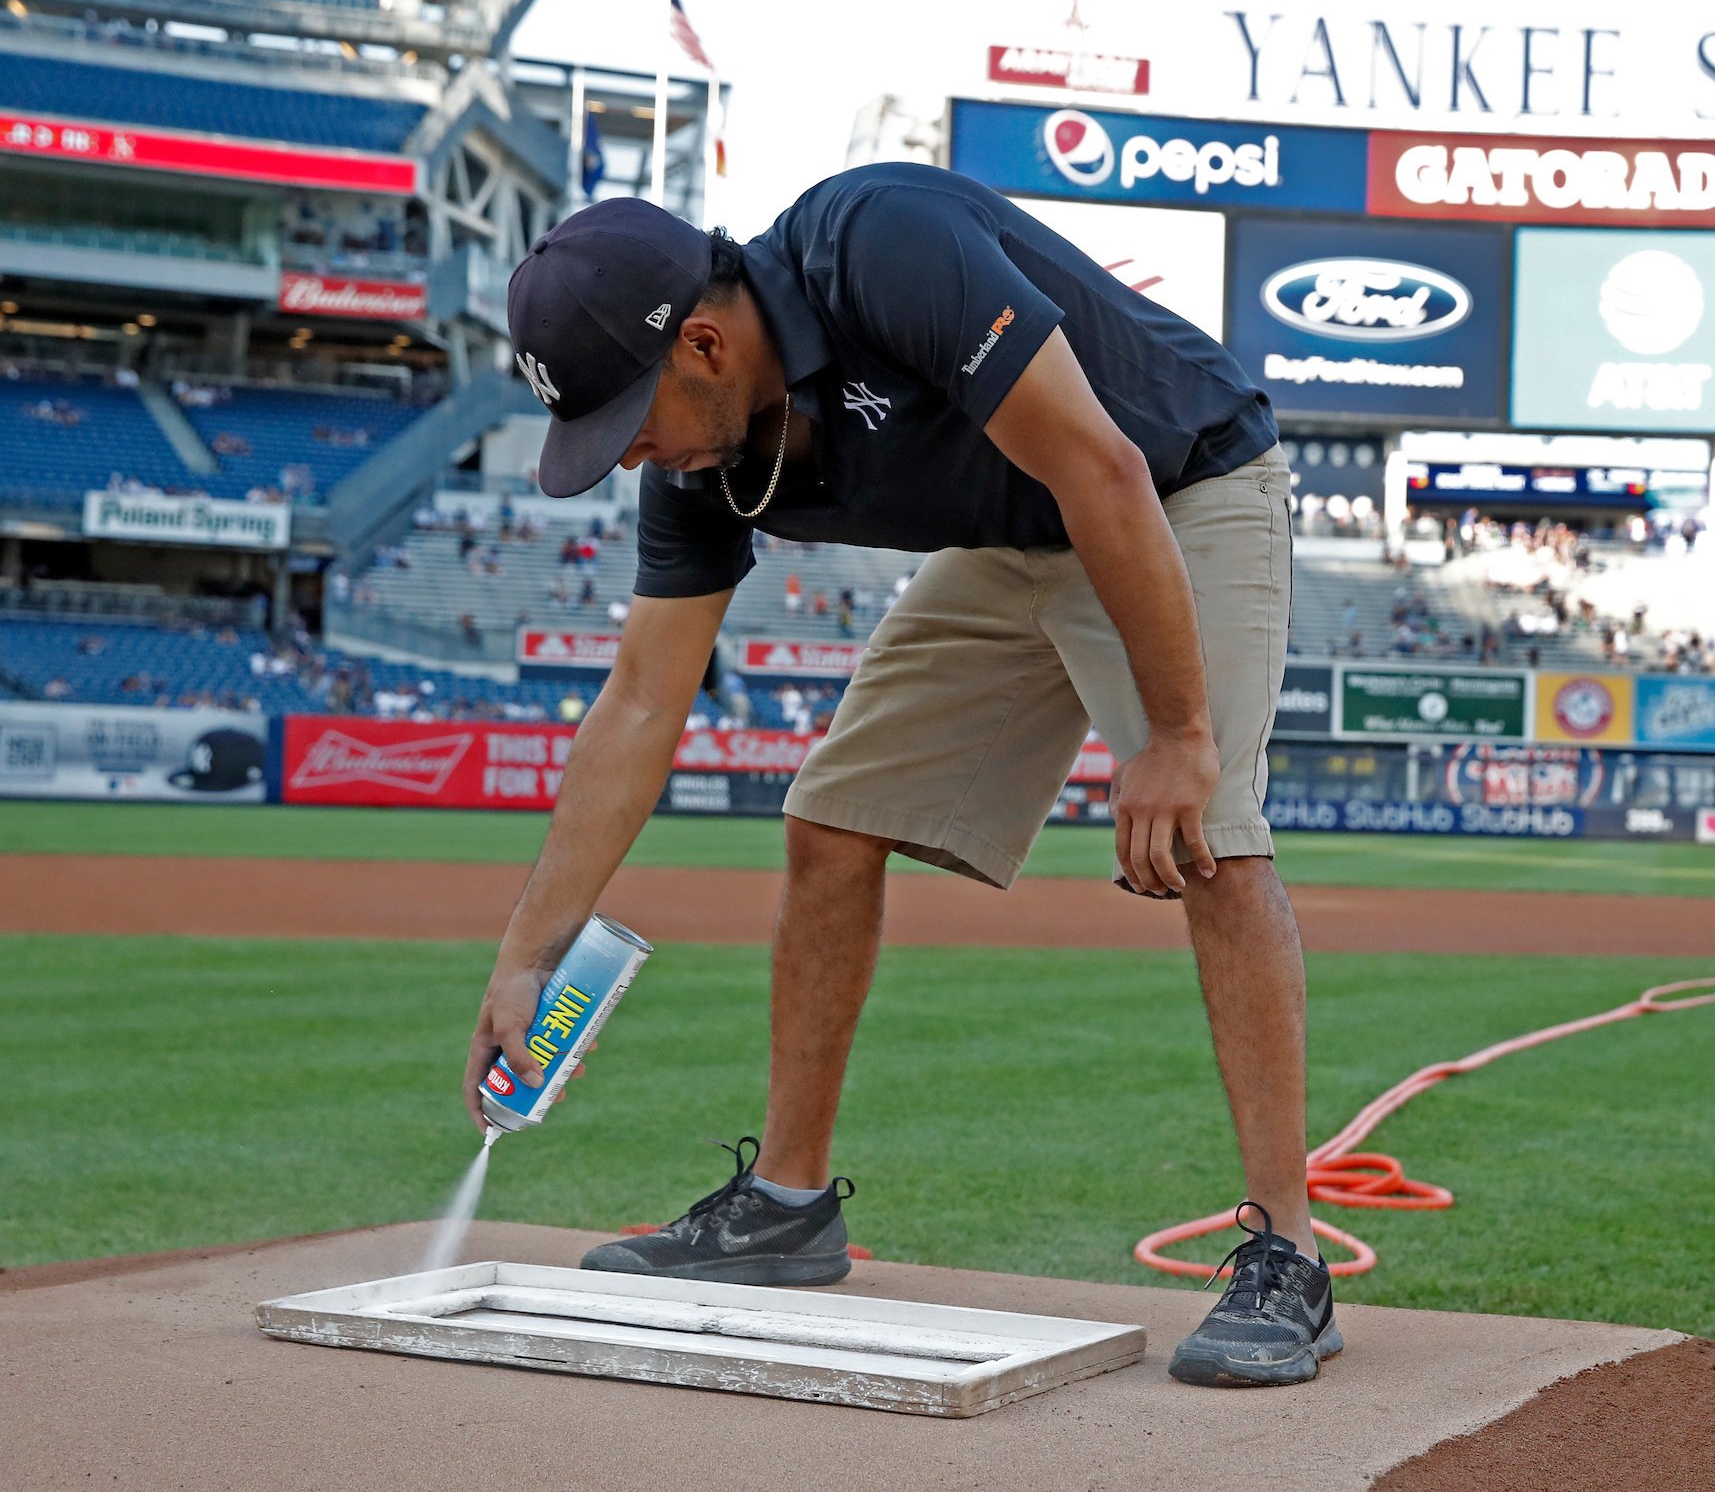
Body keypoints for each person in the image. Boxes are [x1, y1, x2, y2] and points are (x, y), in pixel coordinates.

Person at [465, 178, 1330, 1388]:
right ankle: (786, 1205)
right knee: (832, 817)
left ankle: (1289, 1250)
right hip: (1013, 534)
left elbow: (1103, 468)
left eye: (629, 421)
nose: (629, 459)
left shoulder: (879, 248)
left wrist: (1180, 735)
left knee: (1210, 836)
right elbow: (643, 702)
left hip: (1170, 484)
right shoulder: (700, 463)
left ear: (703, 343)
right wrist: (524, 953)